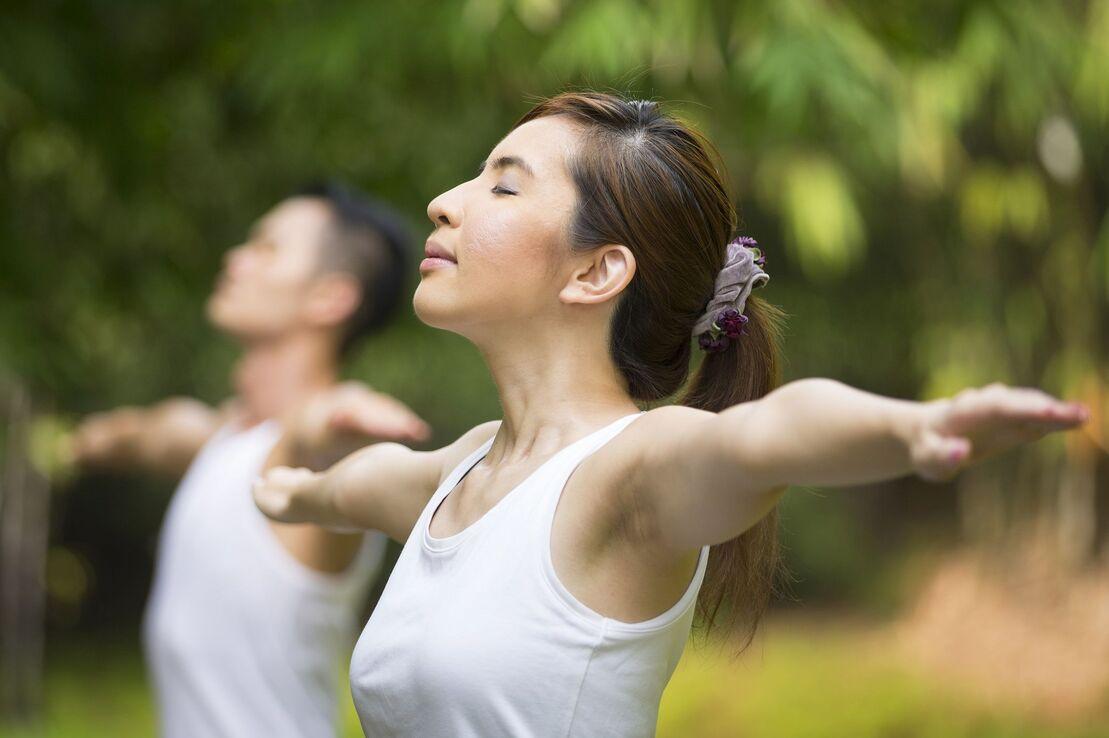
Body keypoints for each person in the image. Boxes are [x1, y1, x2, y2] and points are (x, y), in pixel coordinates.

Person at [253, 93, 1091, 737]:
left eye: (502, 185)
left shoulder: (630, 470)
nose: (445, 201)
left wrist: (914, 426)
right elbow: (367, 486)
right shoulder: (468, 468)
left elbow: (765, 438)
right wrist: (293, 492)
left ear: (595, 273)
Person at [70, 183, 431, 738]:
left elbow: (317, 438)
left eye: (266, 248)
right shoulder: (224, 441)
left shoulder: (308, 460)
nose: (235, 259)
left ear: (330, 298)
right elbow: (153, 433)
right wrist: (92, 440)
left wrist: (343, 419)